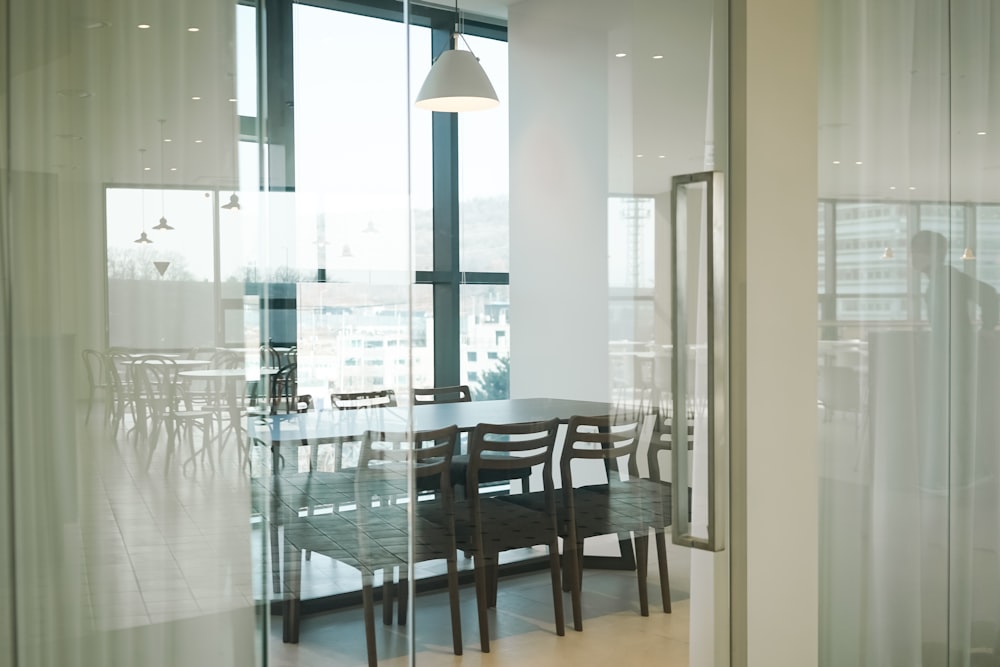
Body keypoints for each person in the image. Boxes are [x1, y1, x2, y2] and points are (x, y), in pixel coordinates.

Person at [910, 230, 998, 335]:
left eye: (921, 250)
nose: (914, 256)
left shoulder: (949, 277)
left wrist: (986, 331)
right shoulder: (939, 279)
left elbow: (989, 295)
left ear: (937, 253)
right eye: (913, 251)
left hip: (957, 346)